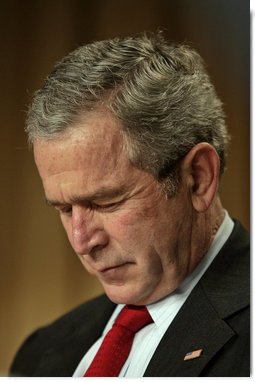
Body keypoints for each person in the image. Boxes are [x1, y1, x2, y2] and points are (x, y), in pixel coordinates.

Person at [10, 32, 249, 377]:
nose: (82, 242)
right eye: (64, 209)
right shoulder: (42, 352)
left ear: (197, 178)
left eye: (105, 202)